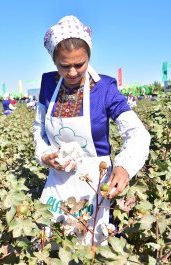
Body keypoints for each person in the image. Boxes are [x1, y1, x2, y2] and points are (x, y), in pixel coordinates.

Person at [33, 15, 150, 244]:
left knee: (92, 250)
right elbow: (39, 128)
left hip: (95, 183)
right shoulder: (48, 84)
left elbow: (137, 133)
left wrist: (124, 167)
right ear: (54, 62)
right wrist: (44, 155)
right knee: (51, 247)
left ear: (89, 57)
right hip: (57, 182)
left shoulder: (104, 87)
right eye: (64, 66)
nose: (74, 72)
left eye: (80, 64)